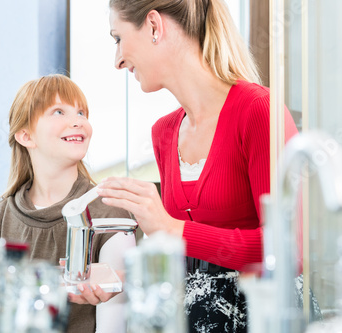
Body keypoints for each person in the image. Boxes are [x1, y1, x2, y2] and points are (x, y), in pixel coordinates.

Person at [98, 1, 313, 332]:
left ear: (154, 26)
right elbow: (193, 268)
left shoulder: (258, 111)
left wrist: (170, 228)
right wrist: (116, 281)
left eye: (118, 38)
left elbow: (288, 251)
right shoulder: (164, 133)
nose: (117, 61)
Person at [0, 74, 136, 333]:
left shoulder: (111, 214)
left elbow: (114, 327)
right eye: (59, 111)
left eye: (81, 112)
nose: (78, 121)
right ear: (25, 135)